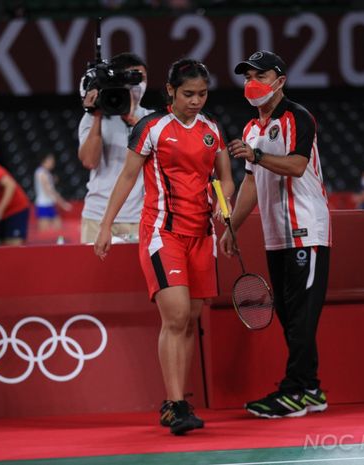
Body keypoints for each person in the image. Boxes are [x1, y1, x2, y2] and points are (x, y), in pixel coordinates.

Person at [94, 58, 234, 435]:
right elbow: (126, 177)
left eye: (202, 94)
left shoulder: (212, 129)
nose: (196, 101)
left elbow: (224, 179)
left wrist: (225, 211)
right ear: (170, 91)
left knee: (190, 320)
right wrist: (106, 225)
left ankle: (178, 400)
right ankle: (174, 404)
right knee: (174, 316)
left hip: (201, 235)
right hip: (162, 232)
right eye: (188, 94)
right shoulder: (151, 127)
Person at [219, 50, 330, 419]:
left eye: (261, 75)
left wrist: (256, 155)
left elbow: (297, 166)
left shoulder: (298, 116)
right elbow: (251, 185)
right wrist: (232, 226)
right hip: (276, 237)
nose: (253, 83)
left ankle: (294, 390)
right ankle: (311, 390)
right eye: (248, 76)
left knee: (301, 316)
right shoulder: (252, 129)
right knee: (288, 315)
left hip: (306, 231)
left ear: (279, 81)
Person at [78, 52, 151, 243]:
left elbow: (162, 159)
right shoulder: (92, 118)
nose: (138, 84)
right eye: (132, 77)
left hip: (138, 217)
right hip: (97, 216)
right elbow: (89, 161)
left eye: (142, 78)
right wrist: (97, 116)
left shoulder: (151, 119)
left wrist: (134, 122)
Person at [34, 153, 71, 230]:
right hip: (43, 205)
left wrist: (53, 180)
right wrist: (62, 203)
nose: (53, 162)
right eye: (50, 160)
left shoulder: (46, 173)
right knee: (44, 230)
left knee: (58, 227)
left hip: (49, 203)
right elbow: (49, 190)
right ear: (45, 161)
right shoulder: (41, 173)